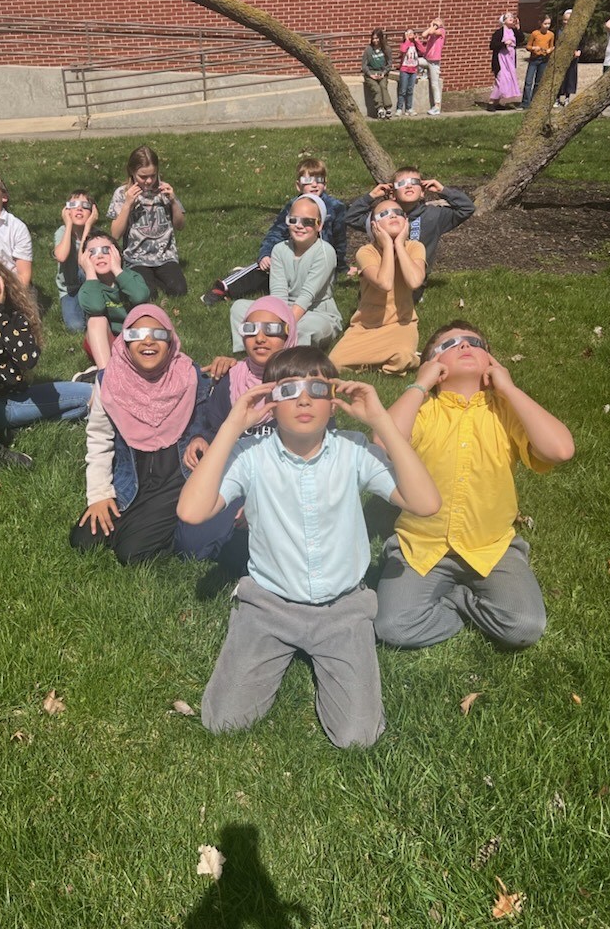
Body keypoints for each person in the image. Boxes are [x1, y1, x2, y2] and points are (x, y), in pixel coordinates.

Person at [176, 345, 440, 748]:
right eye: (288, 390)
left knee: (357, 737)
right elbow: (192, 511)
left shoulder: (353, 449)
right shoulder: (251, 455)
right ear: (269, 404)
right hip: (270, 605)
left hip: (342, 609)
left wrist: (381, 422)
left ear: (334, 403)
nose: (302, 399)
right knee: (222, 720)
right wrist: (232, 425)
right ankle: (255, 637)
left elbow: (425, 503)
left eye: (317, 388)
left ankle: (325, 657)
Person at [374, 321, 574, 650]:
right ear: (432, 367)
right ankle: (462, 604)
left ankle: (454, 599)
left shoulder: (506, 413)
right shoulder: (423, 412)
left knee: (525, 625)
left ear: (491, 366)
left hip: (491, 548)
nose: (465, 346)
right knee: (393, 625)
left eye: (475, 343)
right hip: (422, 547)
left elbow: (560, 450)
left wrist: (509, 389)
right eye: (450, 345)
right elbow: (383, 441)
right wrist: (419, 385)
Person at [69, 304, 209, 564]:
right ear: (123, 342)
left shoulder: (189, 375)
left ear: (171, 341)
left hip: (175, 479)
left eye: (158, 335)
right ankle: (138, 522)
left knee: (131, 552)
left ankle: (186, 530)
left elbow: (208, 421)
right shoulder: (109, 381)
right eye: (136, 335)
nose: (148, 341)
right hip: (131, 477)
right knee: (81, 540)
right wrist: (100, 495)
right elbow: (99, 439)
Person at [176, 296, 298, 572]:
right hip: (236, 473)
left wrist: (261, 501)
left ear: (289, 333)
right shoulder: (233, 378)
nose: (261, 338)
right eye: (251, 330)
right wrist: (201, 440)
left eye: (272, 330)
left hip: (285, 484)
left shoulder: (303, 380)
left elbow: (316, 451)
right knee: (190, 544)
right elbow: (212, 427)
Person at [0, 253, 93, 468]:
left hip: (16, 401)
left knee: (93, 396)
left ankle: (20, 423)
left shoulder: (13, 318)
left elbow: (28, 359)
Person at [201, 157, 348, 306]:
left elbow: (340, 240)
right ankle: (224, 288)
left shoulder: (335, 207)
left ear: (325, 183)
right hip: (292, 258)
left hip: (317, 262)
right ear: (298, 185)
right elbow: (276, 232)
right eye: (308, 180)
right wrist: (266, 253)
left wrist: (341, 266)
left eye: (319, 179)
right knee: (264, 267)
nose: (314, 184)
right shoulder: (293, 206)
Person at [230, 194, 342, 353]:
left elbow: (307, 296)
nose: (299, 226)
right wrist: (275, 322)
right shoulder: (279, 249)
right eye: (293, 220)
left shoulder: (325, 252)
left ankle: (288, 358)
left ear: (319, 225)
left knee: (308, 327)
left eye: (308, 222)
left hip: (316, 311)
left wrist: (279, 327)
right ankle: (249, 354)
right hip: (282, 308)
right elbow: (278, 293)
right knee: (239, 308)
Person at [329, 197, 425, 374]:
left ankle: (378, 360)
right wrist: (388, 245)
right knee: (333, 364)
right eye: (384, 214)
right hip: (366, 326)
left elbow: (414, 281)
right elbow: (385, 283)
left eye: (398, 213)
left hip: (401, 324)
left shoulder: (415, 247)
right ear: (374, 226)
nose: (393, 216)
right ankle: (378, 361)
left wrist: (399, 245)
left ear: (406, 220)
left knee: (402, 357)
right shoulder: (366, 252)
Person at [346, 167, 475, 275]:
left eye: (414, 182)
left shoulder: (434, 216)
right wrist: (371, 196)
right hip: (385, 273)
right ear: (392, 194)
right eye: (401, 183)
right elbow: (351, 217)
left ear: (422, 192)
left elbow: (467, 208)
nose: (408, 185)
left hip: (416, 276)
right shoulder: (384, 217)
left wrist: (443, 191)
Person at [107, 144, 187, 298]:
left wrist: (173, 202)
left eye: (153, 175)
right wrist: (128, 204)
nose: (149, 181)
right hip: (137, 258)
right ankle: (149, 279)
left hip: (165, 256)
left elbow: (180, 225)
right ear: (132, 172)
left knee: (179, 290)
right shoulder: (122, 193)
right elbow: (115, 234)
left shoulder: (164, 190)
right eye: (143, 177)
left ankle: (158, 277)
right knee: (148, 294)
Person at [76, 228, 150, 369]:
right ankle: (105, 375)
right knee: (96, 320)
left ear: (117, 254)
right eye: (92, 252)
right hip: (104, 342)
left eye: (106, 250)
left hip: (135, 339)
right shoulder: (87, 288)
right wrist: (90, 273)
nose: (99, 256)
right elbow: (96, 307)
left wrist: (117, 270)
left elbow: (140, 296)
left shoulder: (130, 277)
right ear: (85, 259)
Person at [53, 190, 100, 332]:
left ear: (92, 212)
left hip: (93, 286)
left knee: (100, 319)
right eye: (73, 205)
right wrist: (68, 225)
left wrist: (88, 228)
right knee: (76, 327)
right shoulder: (62, 232)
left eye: (85, 205)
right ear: (66, 211)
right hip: (70, 289)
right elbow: (61, 256)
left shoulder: (97, 234)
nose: (79, 208)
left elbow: (82, 262)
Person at [488, 12, 525, 110]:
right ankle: (491, 102)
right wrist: (504, 43)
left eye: (512, 17)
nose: (512, 19)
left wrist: (518, 28)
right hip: (501, 60)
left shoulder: (514, 31)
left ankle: (497, 103)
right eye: (509, 18)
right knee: (501, 80)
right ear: (504, 21)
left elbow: (521, 39)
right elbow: (492, 45)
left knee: (507, 80)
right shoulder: (499, 32)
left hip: (510, 60)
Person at [521, 15, 554, 109]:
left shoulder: (551, 34)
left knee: (538, 82)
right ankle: (525, 102)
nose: (547, 26)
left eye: (549, 24)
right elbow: (528, 46)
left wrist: (549, 50)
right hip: (534, 59)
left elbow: (552, 46)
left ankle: (533, 101)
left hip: (544, 60)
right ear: (540, 23)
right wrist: (534, 48)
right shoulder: (535, 33)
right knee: (528, 81)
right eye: (545, 23)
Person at [415, 18, 445, 115]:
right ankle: (423, 73)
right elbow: (424, 34)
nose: (435, 22)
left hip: (434, 62)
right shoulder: (431, 33)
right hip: (427, 59)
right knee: (415, 61)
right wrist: (431, 26)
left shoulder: (442, 31)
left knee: (434, 84)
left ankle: (437, 106)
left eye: (437, 21)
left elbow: (433, 31)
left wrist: (434, 26)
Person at [361, 28, 393, 119]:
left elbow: (389, 63)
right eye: (373, 38)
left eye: (377, 38)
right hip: (371, 73)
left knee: (383, 86)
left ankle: (388, 108)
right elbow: (364, 65)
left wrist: (384, 73)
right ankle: (380, 109)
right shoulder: (368, 50)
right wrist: (370, 75)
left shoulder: (386, 49)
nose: (375, 40)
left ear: (380, 38)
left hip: (382, 72)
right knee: (376, 88)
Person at [554, 9, 583, 108]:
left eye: (568, 20)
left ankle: (567, 98)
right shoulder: (559, 30)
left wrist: (578, 50)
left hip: (572, 57)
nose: (566, 22)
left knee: (570, 77)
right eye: (565, 20)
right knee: (559, 77)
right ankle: (557, 98)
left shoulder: (577, 31)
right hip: (561, 57)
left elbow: (581, 42)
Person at [396, 28, 420, 117]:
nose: (410, 34)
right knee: (403, 90)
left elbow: (423, 50)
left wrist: (417, 41)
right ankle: (399, 108)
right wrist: (406, 40)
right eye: (408, 33)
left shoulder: (415, 44)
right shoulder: (404, 44)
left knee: (410, 90)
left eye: (412, 33)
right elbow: (402, 50)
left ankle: (409, 108)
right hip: (404, 70)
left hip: (413, 70)